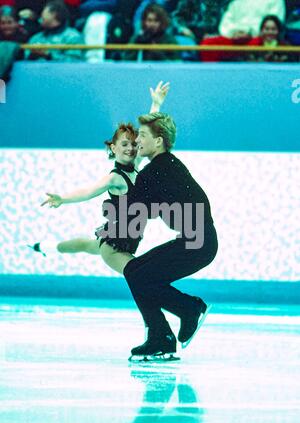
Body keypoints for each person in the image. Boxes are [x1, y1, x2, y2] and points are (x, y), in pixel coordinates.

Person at [34, 82, 170, 276]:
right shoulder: (115, 178)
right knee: (143, 275)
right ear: (113, 148)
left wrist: (156, 105)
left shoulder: (135, 166)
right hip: (114, 245)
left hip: (122, 238)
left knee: (84, 244)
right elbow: (89, 191)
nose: (130, 148)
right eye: (124, 144)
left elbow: (147, 130)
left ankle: (45, 246)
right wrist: (63, 198)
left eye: (133, 144)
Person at [122, 113, 218, 359]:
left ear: (159, 141)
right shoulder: (167, 165)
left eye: (142, 136)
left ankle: (187, 310)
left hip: (197, 243)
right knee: (136, 272)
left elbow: (131, 209)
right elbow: (145, 209)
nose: (136, 140)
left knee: (138, 274)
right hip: (197, 241)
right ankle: (161, 335)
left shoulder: (157, 170)